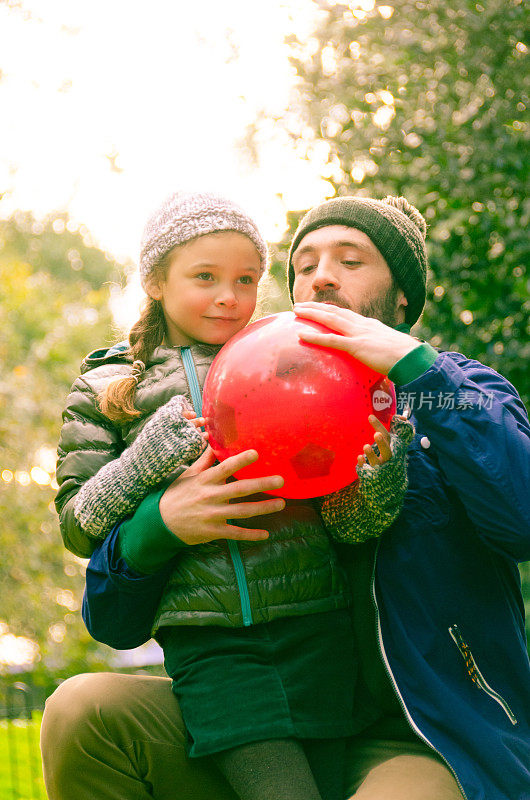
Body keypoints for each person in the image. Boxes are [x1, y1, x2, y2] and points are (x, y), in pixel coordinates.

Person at [41, 195, 530, 800]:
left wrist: (417, 370)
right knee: (85, 711)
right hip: (258, 704)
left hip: (417, 734)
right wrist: (162, 523)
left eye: (350, 260)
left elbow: (523, 519)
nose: (322, 275)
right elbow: (112, 618)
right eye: (305, 264)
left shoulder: (450, 392)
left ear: (402, 295)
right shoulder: (245, 394)